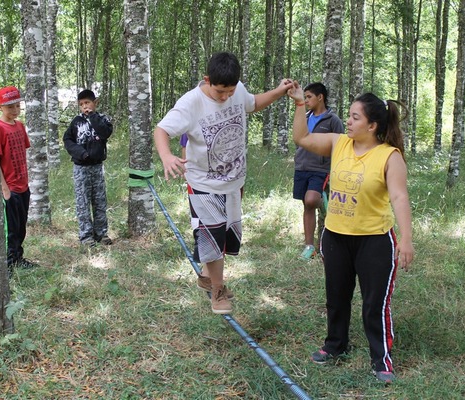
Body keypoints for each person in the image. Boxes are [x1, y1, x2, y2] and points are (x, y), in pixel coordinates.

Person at [288, 80, 414, 384]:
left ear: (372, 125)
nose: (348, 120)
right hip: (335, 236)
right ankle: (335, 346)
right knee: (336, 295)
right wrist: (298, 104)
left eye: (355, 117)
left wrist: (406, 240)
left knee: (375, 302)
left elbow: (399, 197)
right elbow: (302, 137)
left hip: (374, 239)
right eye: (349, 115)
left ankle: (381, 358)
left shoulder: (389, 156)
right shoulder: (339, 142)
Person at [154, 52, 294, 314]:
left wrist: (278, 91)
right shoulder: (191, 103)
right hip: (204, 182)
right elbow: (161, 130)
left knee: (225, 237)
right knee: (212, 238)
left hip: (233, 181)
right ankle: (218, 290)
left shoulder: (237, 90)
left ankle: (207, 276)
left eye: (230, 91)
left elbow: (252, 103)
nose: (225, 97)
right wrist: (166, 156)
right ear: (207, 80)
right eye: (220, 91)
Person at [293, 83, 344, 260]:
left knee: (312, 199)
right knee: (306, 205)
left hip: (321, 169)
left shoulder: (332, 120)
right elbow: (298, 139)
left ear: (320, 97)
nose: (306, 100)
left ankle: (323, 203)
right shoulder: (304, 117)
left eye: (309, 97)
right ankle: (309, 246)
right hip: (302, 167)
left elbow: (341, 147)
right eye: (304, 97)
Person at [63, 89, 113, 248]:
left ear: (95, 103)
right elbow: (67, 139)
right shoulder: (76, 122)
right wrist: (81, 153)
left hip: (97, 167)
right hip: (81, 168)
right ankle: (86, 236)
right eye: (82, 104)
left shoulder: (103, 119)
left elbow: (105, 133)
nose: (85, 107)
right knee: (83, 201)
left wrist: (92, 116)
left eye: (87, 103)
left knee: (99, 201)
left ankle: (101, 233)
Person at [0, 86, 37, 271]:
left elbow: (22, 151)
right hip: (10, 187)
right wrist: (4, 188)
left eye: (17, 106)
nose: (14, 110)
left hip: (23, 185)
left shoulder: (19, 126)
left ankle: (19, 257)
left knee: (21, 225)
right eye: (9, 107)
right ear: (0, 107)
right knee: (10, 229)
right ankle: (9, 263)